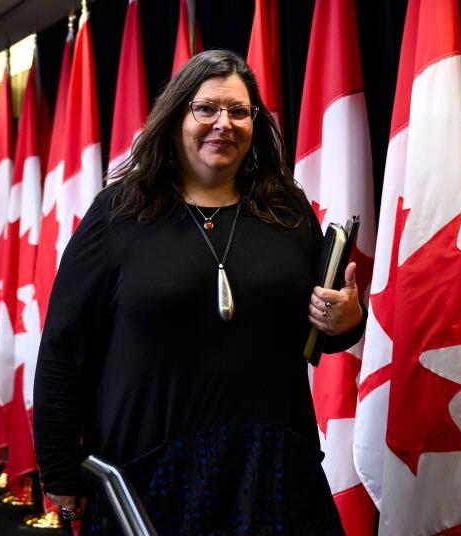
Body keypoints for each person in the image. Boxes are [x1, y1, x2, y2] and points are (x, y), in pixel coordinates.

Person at [33, 49, 366, 534]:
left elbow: (317, 333)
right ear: (175, 118)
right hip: (150, 470)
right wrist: (61, 472)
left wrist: (346, 319)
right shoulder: (117, 214)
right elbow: (64, 350)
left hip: (271, 468)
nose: (223, 124)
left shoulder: (288, 210)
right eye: (206, 108)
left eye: (238, 111)